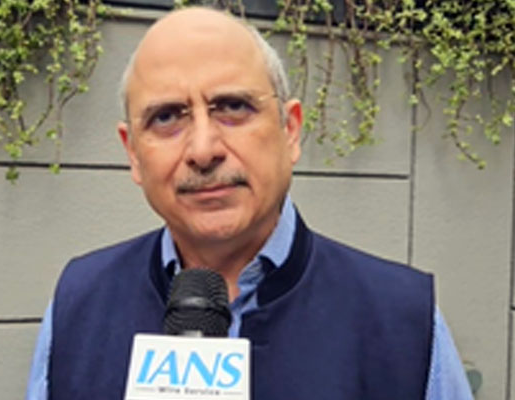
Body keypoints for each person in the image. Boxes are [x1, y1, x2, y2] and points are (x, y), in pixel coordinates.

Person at [26, 7, 473, 400]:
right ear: (133, 154)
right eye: (166, 117)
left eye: (233, 107)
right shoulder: (77, 305)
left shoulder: (403, 321)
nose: (203, 150)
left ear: (290, 130)